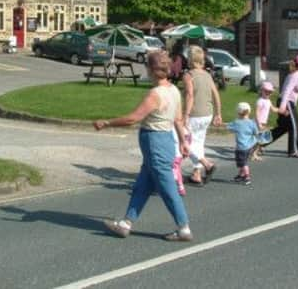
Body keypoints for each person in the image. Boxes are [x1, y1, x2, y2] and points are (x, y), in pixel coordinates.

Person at [94, 51, 193, 242]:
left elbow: (134, 118)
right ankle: (126, 223)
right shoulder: (173, 90)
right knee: (143, 184)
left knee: (167, 187)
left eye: (147, 67)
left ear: (152, 70)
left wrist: (107, 123)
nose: (146, 71)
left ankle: (184, 228)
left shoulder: (156, 94)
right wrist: (182, 142)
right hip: (163, 142)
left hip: (155, 142)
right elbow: (178, 119)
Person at [182, 45, 221, 186]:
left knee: (185, 142)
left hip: (194, 114)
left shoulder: (189, 75)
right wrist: (218, 113)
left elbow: (190, 95)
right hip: (207, 114)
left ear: (190, 59)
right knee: (198, 143)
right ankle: (196, 175)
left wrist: (185, 114)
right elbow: (215, 94)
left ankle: (207, 164)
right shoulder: (207, 75)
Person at [227, 102, 258, 185]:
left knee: (243, 163)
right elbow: (256, 133)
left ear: (238, 112)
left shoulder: (237, 123)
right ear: (249, 111)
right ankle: (241, 175)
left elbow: (229, 127)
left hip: (241, 147)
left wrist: (220, 124)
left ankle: (247, 177)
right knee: (243, 162)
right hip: (249, 147)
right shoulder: (252, 122)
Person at [252, 81, 279, 161]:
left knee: (260, 139)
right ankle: (254, 154)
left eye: (270, 92)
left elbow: (273, 109)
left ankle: (254, 152)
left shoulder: (268, 101)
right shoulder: (260, 101)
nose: (268, 93)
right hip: (258, 123)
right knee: (259, 140)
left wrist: (282, 110)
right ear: (261, 91)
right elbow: (256, 113)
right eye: (266, 91)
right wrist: (258, 123)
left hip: (263, 123)